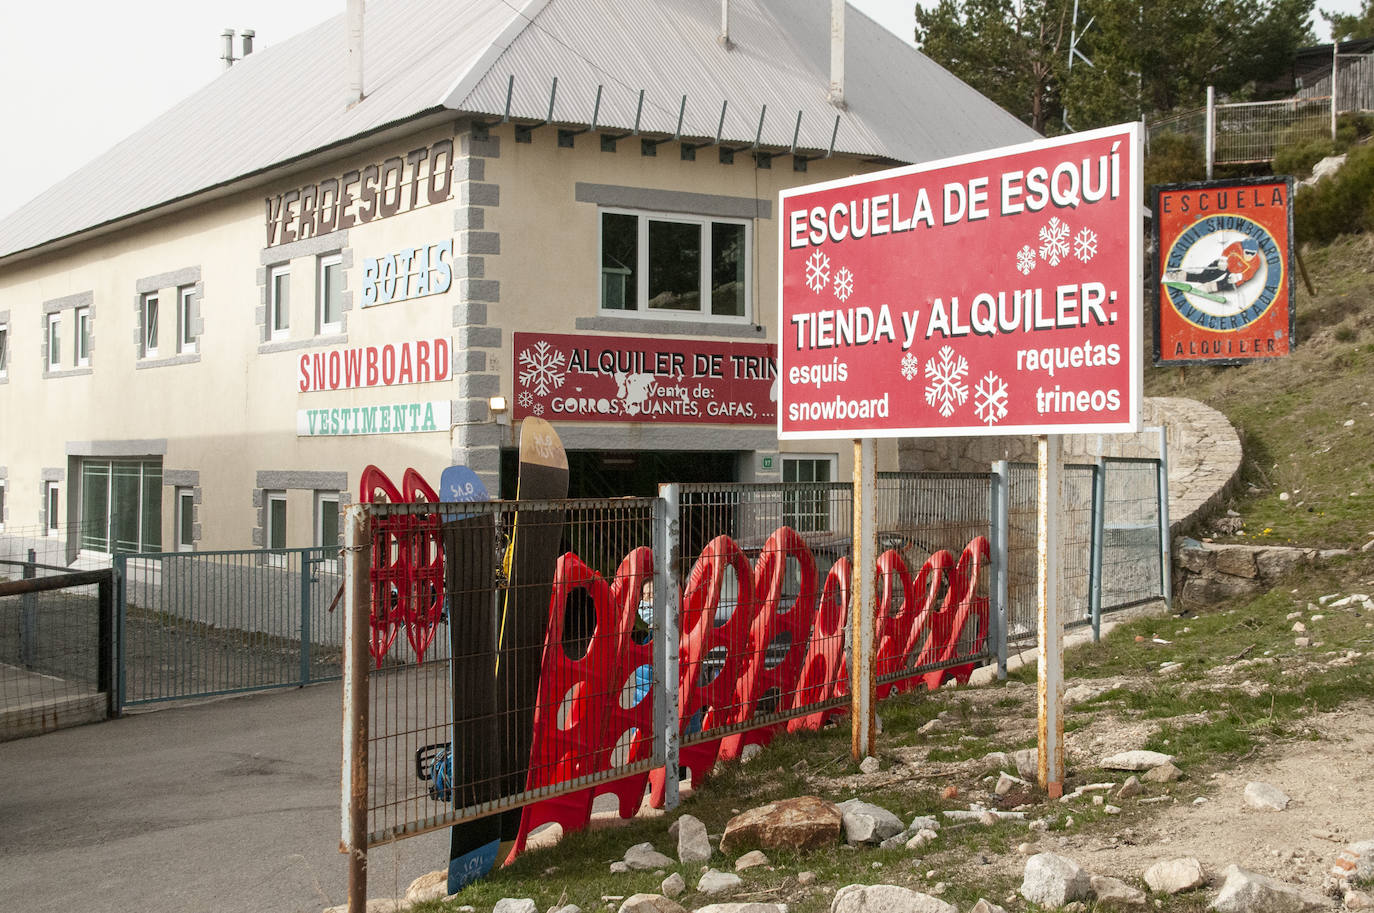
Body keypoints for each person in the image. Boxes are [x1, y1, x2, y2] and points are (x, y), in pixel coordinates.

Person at [1164, 238, 1261, 293]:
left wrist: (1239, 277)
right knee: (1205, 277)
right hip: (1227, 265)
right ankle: (1180, 275)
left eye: (1253, 253)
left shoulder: (1255, 262)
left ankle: (1208, 288)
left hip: (1237, 273)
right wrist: (1223, 261)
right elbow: (1226, 252)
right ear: (1243, 249)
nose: (1249, 255)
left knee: (1229, 284)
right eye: (1247, 252)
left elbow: (1249, 273)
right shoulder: (1237, 246)